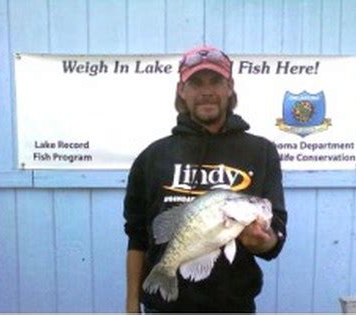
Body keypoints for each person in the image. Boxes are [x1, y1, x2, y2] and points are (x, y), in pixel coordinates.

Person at [123, 45, 287, 313]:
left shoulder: (262, 152)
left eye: (216, 81)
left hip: (234, 307)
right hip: (162, 308)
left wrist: (264, 240)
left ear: (230, 87)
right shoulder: (152, 157)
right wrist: (131, 305)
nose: (206, 91)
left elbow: (275, 238)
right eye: (196, 82)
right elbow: (137, 235)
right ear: (182, 90)